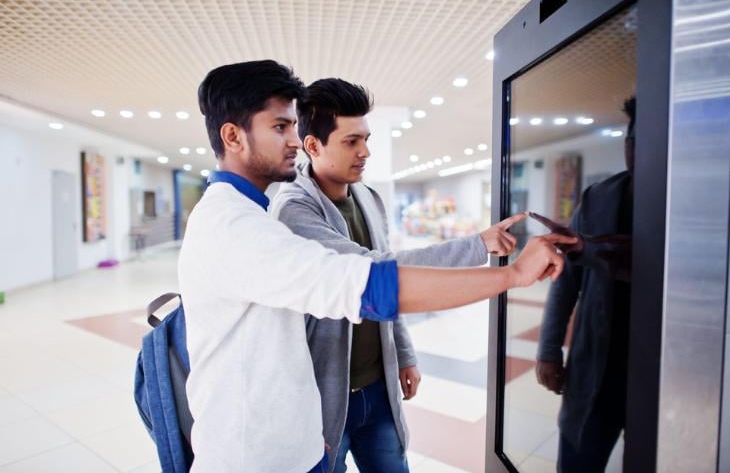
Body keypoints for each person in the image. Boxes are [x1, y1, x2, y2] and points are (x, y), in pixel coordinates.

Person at [179, 59, 574, 473]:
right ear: (232, 136)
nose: (294, 140)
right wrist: (510, 274)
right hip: (259, 454)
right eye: (281, 127)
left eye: (293, 126)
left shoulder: (256, 215)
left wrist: (402, 353)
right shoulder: (240, 226)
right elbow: (369, 281)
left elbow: (378, 277)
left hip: (295, 441)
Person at [271, 77, 526, 472]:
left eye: (366, 139)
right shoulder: (293, 210)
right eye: (351, 141)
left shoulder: (369, 198)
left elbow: (392, 292)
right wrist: (478, 247)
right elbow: (375, 273)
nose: (365, 151)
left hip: (378, 386)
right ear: (313, 145)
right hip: (324, 396)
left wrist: (403, 354)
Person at [535, 97, 635, 472]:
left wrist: (587, 247)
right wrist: (548, 350)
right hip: (595, 361)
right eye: (634, 142)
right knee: (578, 458)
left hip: (661, 373)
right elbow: (566, 280)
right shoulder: (599, 197)